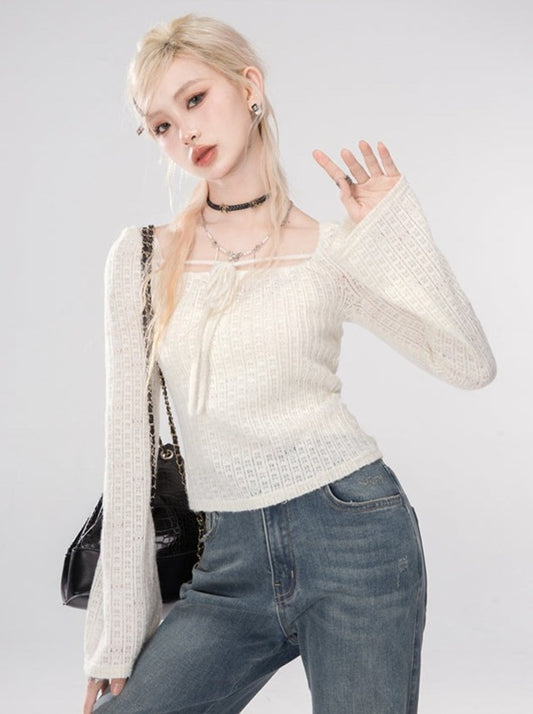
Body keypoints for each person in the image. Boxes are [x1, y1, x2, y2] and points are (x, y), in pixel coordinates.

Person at [82, 13, 496, 714]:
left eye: (194, 99)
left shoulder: (331, 251)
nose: (184, 133)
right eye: (161, 125)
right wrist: (115, 636)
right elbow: (127, 452)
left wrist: (393, 232)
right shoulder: (143, 258)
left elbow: (469, 362)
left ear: (249, 87)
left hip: (356, 535)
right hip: (227, 560)